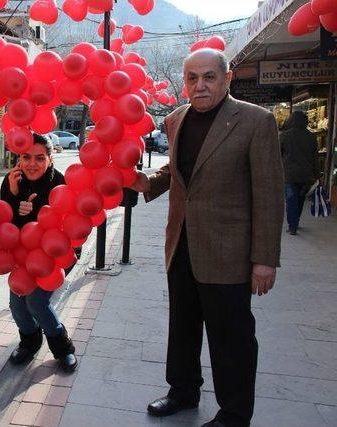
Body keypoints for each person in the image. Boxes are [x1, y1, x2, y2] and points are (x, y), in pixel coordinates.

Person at [130, 49, 284, 427]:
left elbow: (269, 194)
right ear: (184, 82)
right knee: (182, 327)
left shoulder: (255, 121)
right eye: (192, 78)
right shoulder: (176, 118)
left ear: (227, 78)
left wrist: (264, 258)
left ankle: (234, 414)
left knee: (231, 338)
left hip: (229, 252)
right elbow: (178, 172)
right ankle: (182, 391)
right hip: (180, 245)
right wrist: (146, 183)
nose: (200, 85)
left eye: (209, 77)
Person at [0, 133, 78, 373]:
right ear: (19, 158)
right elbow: (4, 225)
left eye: (40, 158)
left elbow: (68, 227)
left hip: (56, 252)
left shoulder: (61, 184)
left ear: (50, 160)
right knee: (17, 303)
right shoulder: (12, 181)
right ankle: (30, 343)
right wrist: (13, 199)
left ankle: (63, 349)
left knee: (36, 302)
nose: (32, 163)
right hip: (23, 254)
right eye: (26, 157)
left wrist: (34, 213)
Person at [280, 111, 320, 235]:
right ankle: (295, 220)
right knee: (300, 199)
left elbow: (278, 155)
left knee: (291, 200)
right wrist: (317, 175)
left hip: (289, 175)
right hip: (306, 175)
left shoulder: (284, 136)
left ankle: (293, 226)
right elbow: (315, 157)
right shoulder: (311, 136)